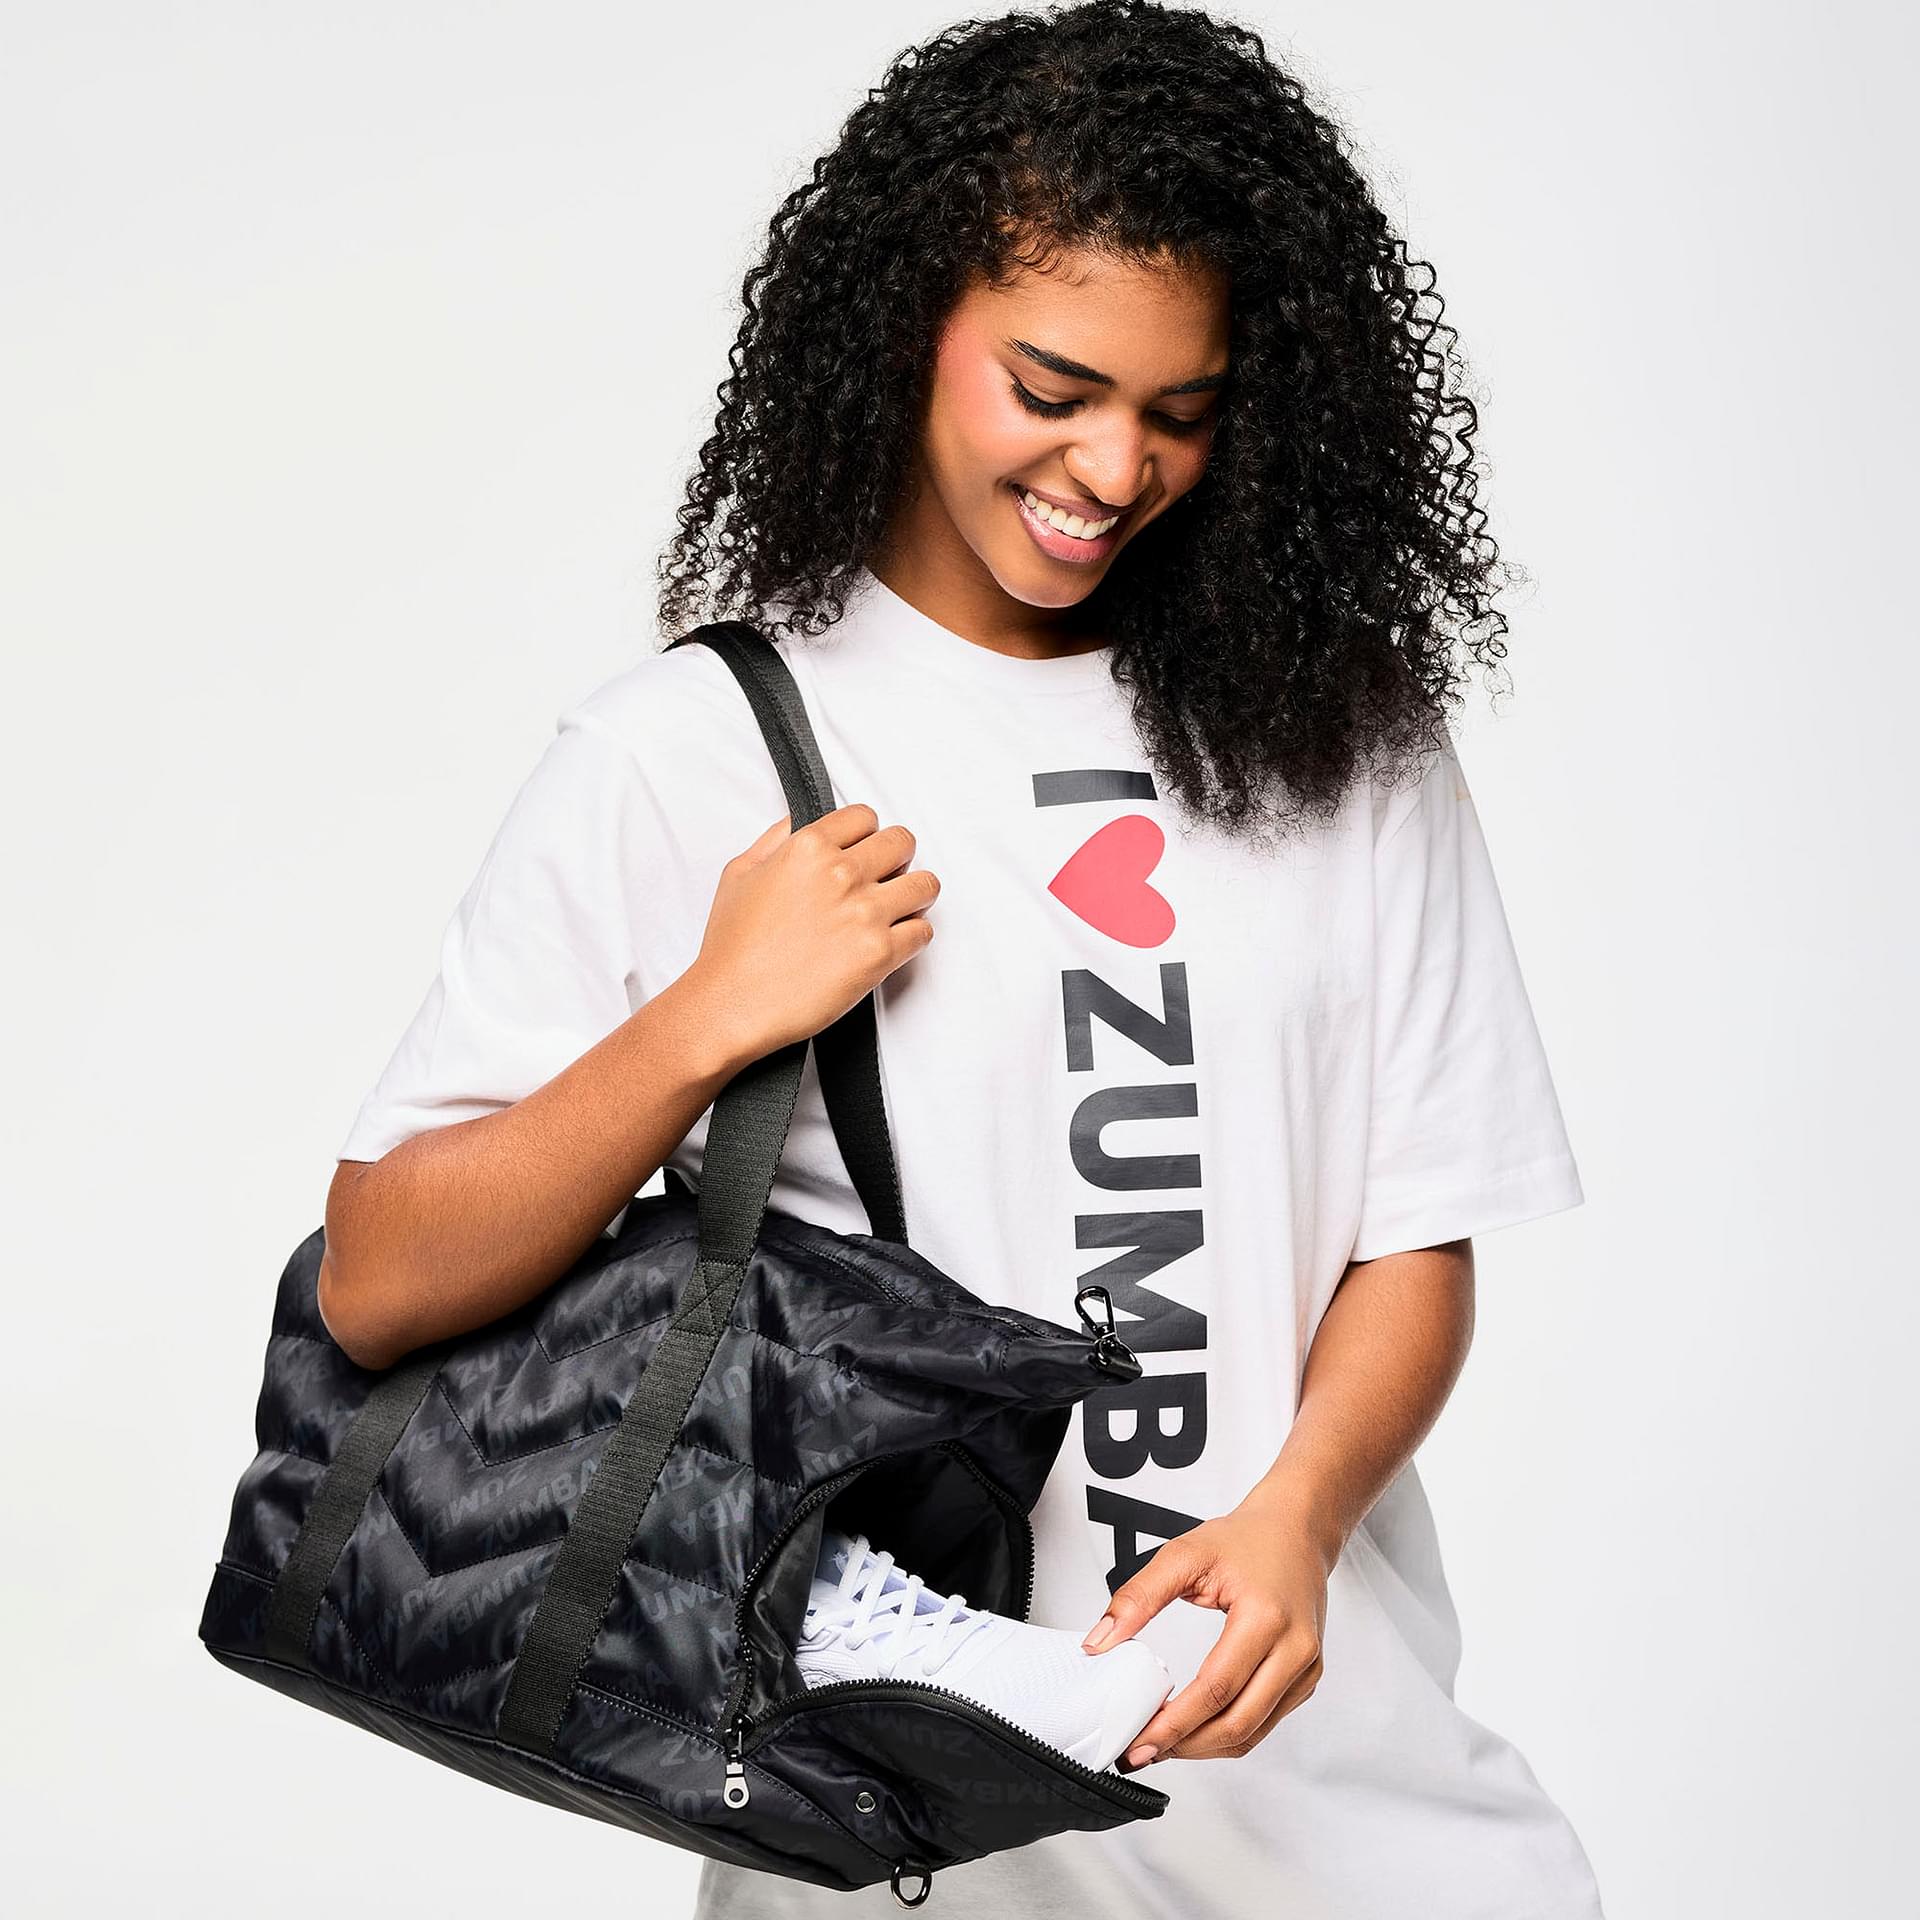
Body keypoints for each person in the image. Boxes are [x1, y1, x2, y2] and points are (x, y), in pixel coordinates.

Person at [317, 2, 1605, 1914]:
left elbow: (1414, 1240)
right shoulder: (689, 756)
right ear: (910, 315)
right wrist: (705, 1023)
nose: (1116, 465)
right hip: (905, 1849)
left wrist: (1298, 1512)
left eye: (1182, 412)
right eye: (1052, 386)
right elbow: (378, 1280)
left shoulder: (1344, 746)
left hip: (1346, 1824)